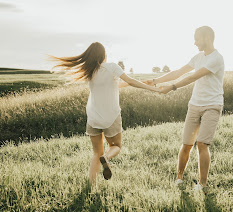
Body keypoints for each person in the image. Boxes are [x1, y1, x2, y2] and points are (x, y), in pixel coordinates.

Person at [50, 42, 160, 185]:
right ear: (103, 55)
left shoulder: (90, 72)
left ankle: (91, 186)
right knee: (116, 146)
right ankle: (107, 158)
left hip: (93, 117)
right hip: (111, 116)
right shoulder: (112, 67)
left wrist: (144, 81)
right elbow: (131, 81)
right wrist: (153, 89)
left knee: (96, 153)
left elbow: (115, 85)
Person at [146, 26, 225, 191]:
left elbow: (193, 77)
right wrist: (156, 81)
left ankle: (202, 184)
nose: (195, 42)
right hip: (195, 104)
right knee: (187, 144)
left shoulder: (216, 58)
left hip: (212, 105)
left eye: (197, 39)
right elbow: (178, 72)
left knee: (202, 144)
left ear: (207, 38)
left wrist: (172, 87)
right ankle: (179, 178)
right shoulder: (197, 57)